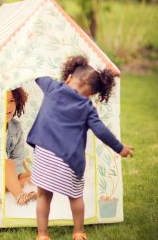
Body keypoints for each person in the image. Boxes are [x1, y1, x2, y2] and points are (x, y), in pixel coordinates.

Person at [27, 56, 134, 240]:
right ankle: (78, 232)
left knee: (43, 196)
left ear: (68, 77)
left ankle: (43, 235)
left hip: (44, 155)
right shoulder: (87, 107)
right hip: (68, 161)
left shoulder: (53, 87)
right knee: (75, 196)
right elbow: (101, 130)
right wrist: (120, 148)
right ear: (91, 93)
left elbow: (38, 75)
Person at [6, 87, 37, 206]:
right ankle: (20, 195)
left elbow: (17, 159)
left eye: (11, 101)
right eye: (3, 101)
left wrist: (17, 176)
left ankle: (13, 185)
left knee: (32, 176)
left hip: (9, 175)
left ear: (18, 101)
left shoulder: (16, 127)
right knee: (7, 163)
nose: (8, 106)